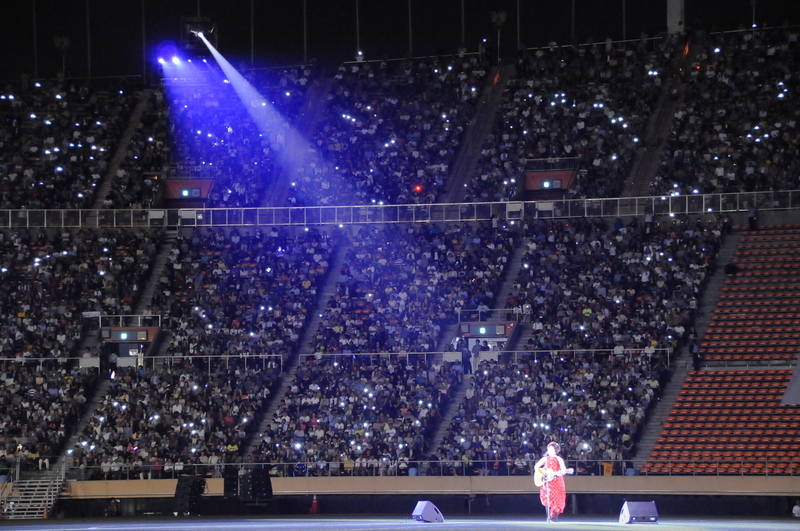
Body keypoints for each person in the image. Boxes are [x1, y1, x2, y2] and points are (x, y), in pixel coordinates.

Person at [534, 442, 574, 523]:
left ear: (556, 450)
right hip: (547, 482)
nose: (549, 450)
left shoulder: (559, 459)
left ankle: (555, 519)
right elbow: (536, 467)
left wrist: (558, 473)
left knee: (556, 500)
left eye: (551, 449)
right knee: (547, 498)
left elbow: (563, 471)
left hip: (556, 482)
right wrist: (543, 473)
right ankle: (548, 518)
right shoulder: (544, 459)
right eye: (548, 449)